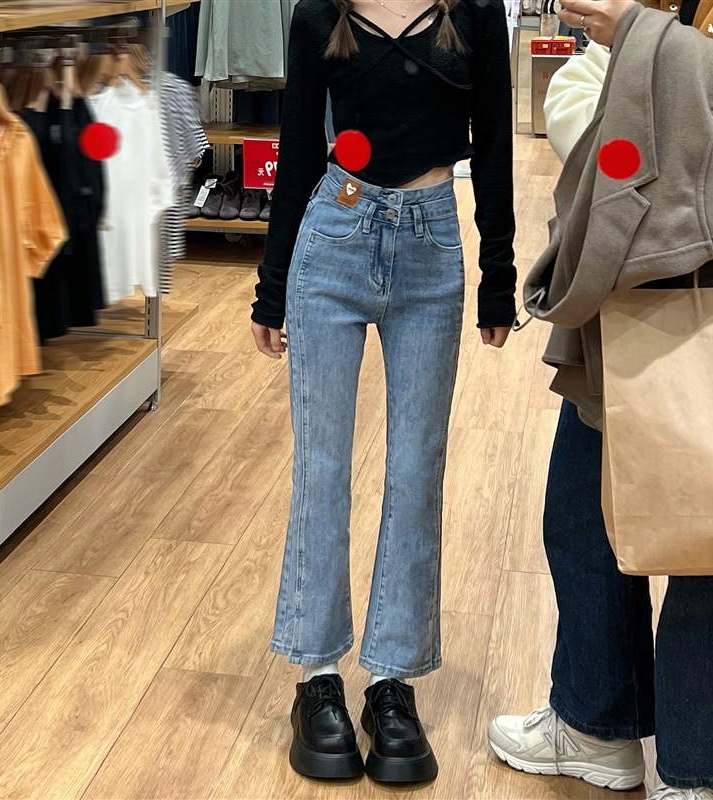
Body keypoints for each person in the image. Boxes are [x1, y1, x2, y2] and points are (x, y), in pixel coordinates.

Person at [487, 1, 713, 799]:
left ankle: (704, 771)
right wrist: (681, 90)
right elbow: (570, 105)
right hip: (623, 282)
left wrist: (637, 50)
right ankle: (596, 723)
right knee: (581, 511)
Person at [250, 0, 516, 784]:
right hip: (333, 236)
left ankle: (393, 682)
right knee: (322, 466)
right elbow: (301, 146)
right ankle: (316, 678)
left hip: (432, 247)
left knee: (415, 471)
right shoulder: (319, 14)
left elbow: (495, 142)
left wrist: (498, 274)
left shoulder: (473, 12)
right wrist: (271, 288)